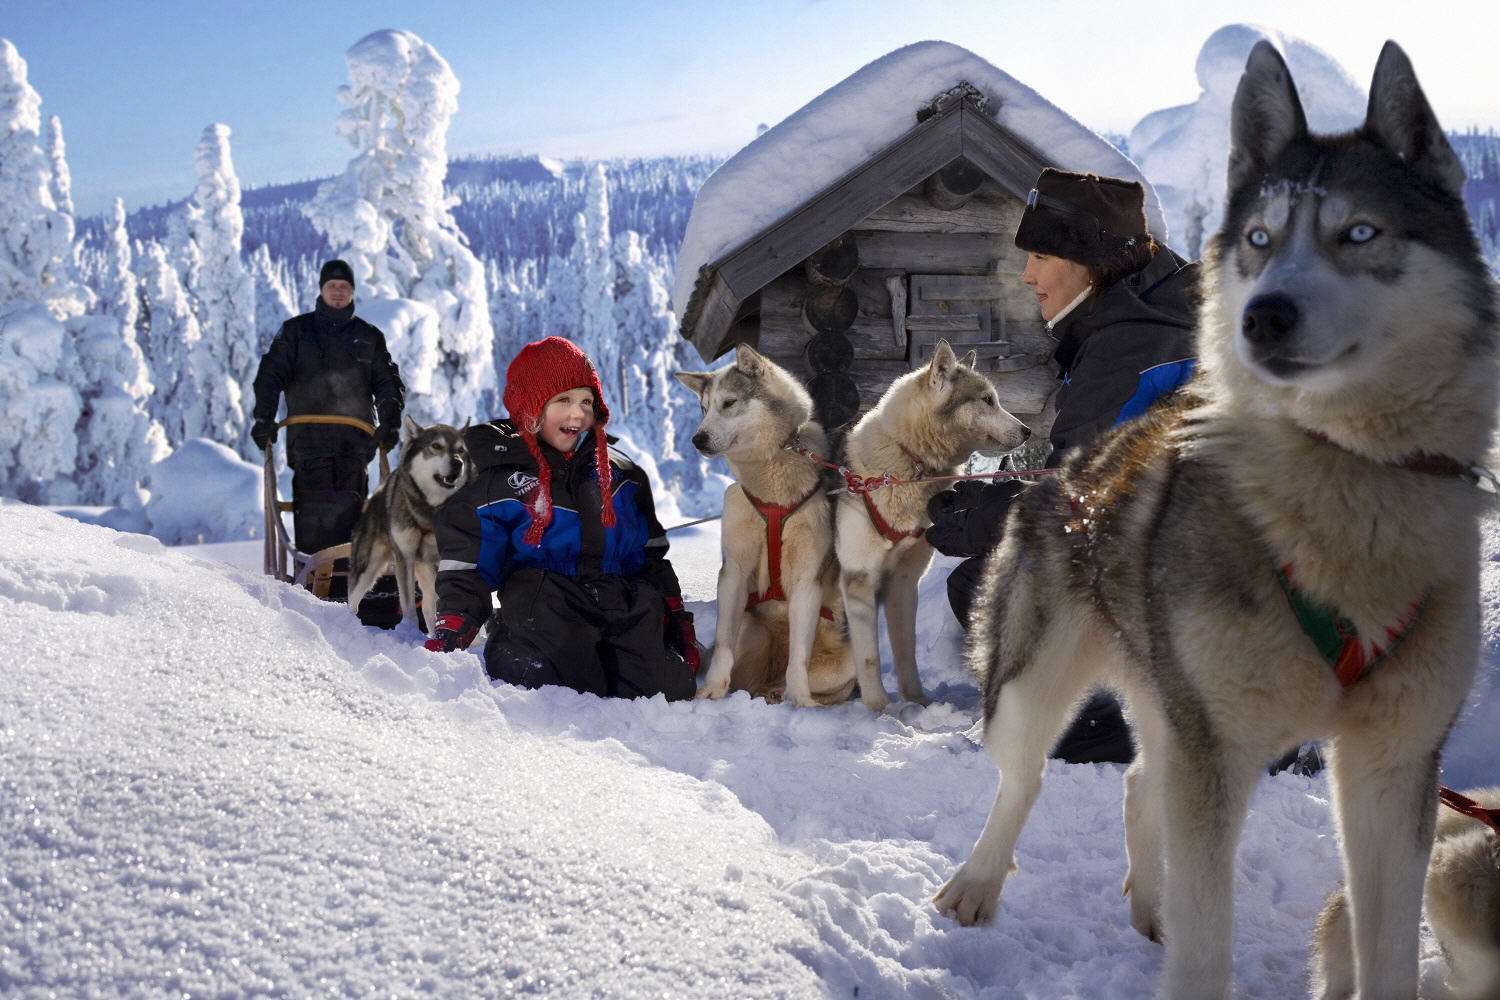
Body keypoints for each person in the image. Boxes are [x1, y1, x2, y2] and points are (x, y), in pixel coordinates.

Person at [926, 169, 1198, 763]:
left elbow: (1084, 503)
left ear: (1092, 263)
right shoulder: (1155, 313)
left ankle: (1112, 727)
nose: (1027, 274)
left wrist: (986, 517)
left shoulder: (1132, 346)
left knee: (990, 585)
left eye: (1042, 255)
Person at [425, 336, 698, 702]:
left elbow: (649, 558)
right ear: (531, 407)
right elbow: (467, 561)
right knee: (550, 681)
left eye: (586, 401)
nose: (577, 414)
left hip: (618, 600)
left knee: (669, 688)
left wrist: (676, 617)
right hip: (544, 603)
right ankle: (522, 656)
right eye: (563, 400)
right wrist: (456, 620)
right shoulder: (496, 477)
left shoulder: (622, 475)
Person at [251, 260, 406, 581]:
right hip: (308, 439)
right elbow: (270, 375)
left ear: (352, 292)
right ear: (321, 290)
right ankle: (312, 577)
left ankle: (350, 579)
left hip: (355, 441)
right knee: (313, 508)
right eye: (332, 286)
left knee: (352, 506)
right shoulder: (295, 332)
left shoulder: (368, 336)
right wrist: (263, 418)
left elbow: (388, 383)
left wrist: (390, 421)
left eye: (344, 287)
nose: (338, 292)